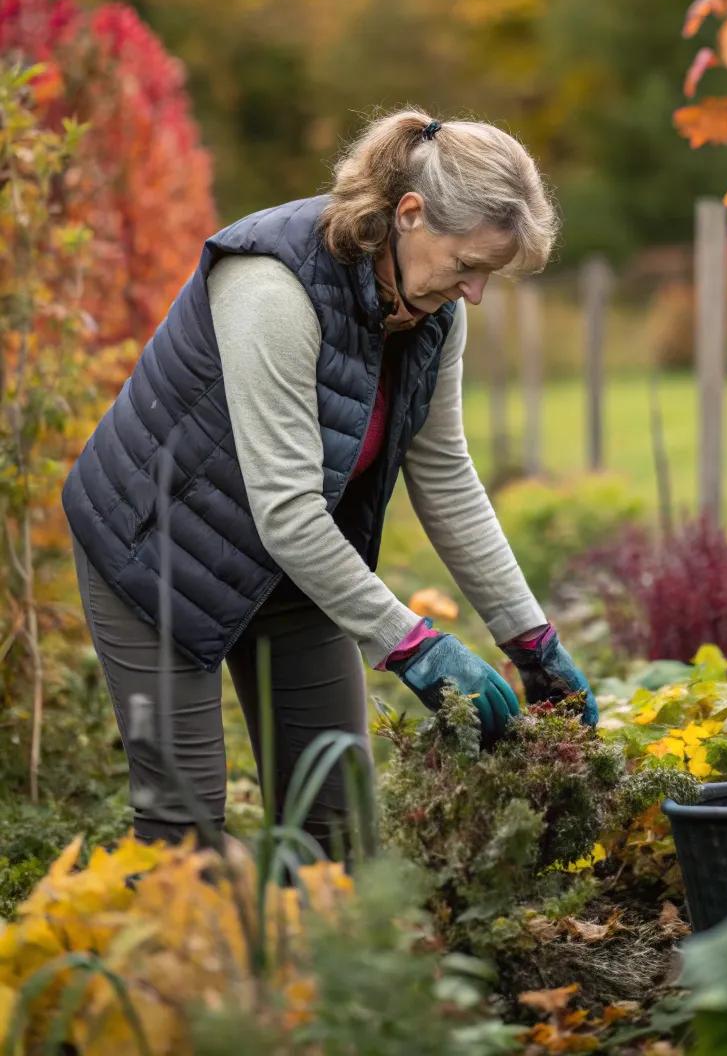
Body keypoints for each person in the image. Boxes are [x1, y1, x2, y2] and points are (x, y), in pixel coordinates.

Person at [62, 109, 598, 854]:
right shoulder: (272, 286)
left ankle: (307, 932)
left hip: (292, 561)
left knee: (336, 826)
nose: (476, 292)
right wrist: (414, 647)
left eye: (488, 275)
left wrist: (530, 637)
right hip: (158, 549)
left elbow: (444, 474)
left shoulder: (435, 309)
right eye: (468, 265)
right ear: (409, 214)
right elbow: (287, 511)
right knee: (184, 835)